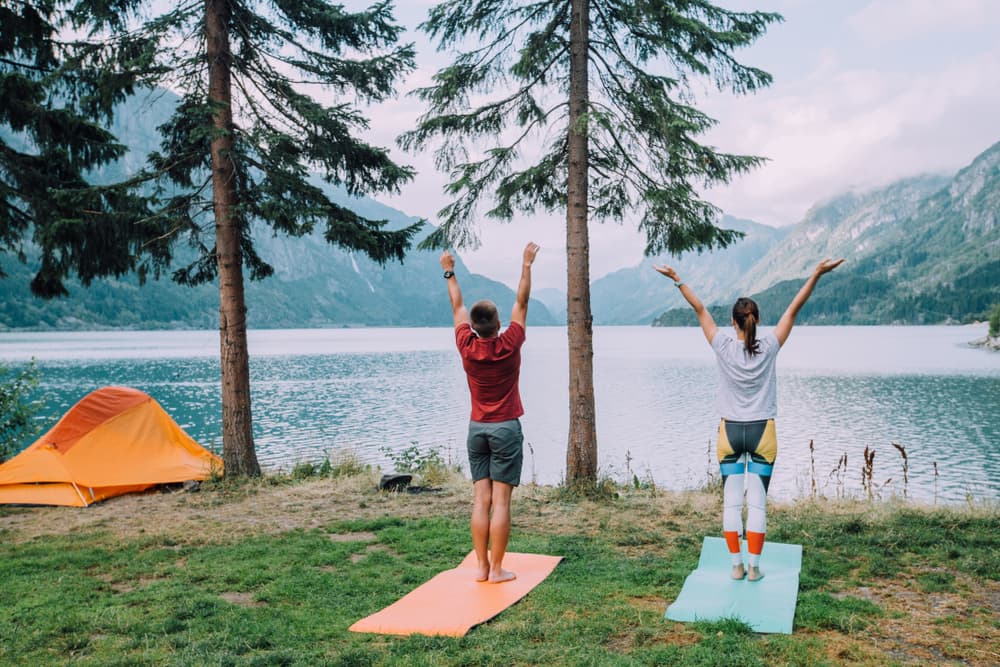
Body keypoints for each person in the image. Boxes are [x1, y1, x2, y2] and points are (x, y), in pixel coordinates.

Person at [654, 258, 844, 581]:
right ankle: (754, 568)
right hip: (762, 432)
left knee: (731, 502)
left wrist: (677, 278)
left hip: (729, 432)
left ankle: (736, 566)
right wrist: (815, 274)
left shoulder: (723, 347)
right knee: (757, 503)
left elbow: (700, 309)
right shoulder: (769, 346)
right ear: (757, 320)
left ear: (733, 322)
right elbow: (793, 310)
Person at [441, 242, 540, 583]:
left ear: (472, 326)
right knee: (501, 501)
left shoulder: (466, 346)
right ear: (499, 322)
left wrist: (448, 269)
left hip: (477, 429)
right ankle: (496, 569)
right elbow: (522, 302)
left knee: (480, 499)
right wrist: (526, 264)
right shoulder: (510, 342)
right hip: (505, 429)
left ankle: (481, 568)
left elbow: (457, 303)